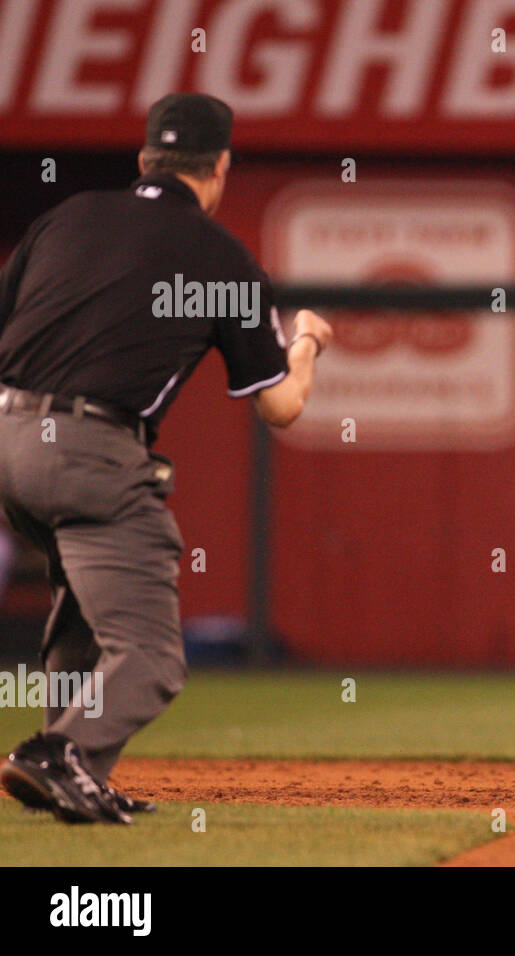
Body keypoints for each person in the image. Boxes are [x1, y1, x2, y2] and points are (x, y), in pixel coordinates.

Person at [0, 93, 333, 824]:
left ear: (145, 159)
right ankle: (57, 756)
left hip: (10, 444)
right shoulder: (219, 256)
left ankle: (72, 767)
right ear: (219, 169)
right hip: (89, 451)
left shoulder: (66, 218)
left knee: (85, 614)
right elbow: (280, 407)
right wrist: (306, 341)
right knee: (150, 655)